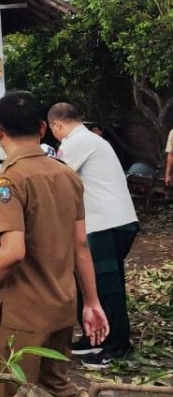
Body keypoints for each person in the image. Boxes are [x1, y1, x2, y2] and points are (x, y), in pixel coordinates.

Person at [0, 91, 109, 396]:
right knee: (55, 385)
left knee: (11, 387)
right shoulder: (67, 175)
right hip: (62, 307)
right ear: (43, 128)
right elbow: (81, 245)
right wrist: (92, 302)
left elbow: (13, 253)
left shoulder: (8, 180)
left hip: (23, 314)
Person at [48, 102, 139, 367]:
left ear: (56, 124)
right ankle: (94, 338)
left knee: (105, 287)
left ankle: (117, 347)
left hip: (106, 226)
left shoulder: (76, 142)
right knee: (91, 284)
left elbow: (54, 178)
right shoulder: (92, 139)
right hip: (113, 223)